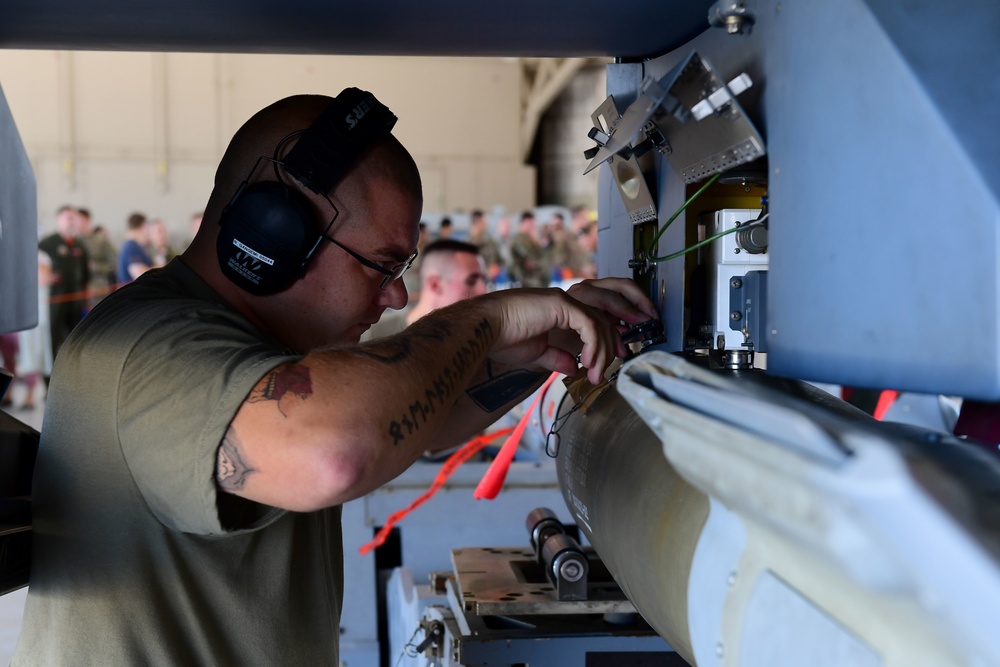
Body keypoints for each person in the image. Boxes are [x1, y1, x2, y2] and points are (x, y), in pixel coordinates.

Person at [14, 90, 656, 666]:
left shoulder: (256, 347)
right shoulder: (148, 346)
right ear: (271, 233)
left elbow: (418, 421)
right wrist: (493, 316)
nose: (398, 296)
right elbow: (333, 452)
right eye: (380, 265)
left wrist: (547, 346)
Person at [362, 239, 489, 340]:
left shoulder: (475, 338)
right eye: (471, 281)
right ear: (435, 284)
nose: (484, 290)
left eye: (484, 281)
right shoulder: (372, 336)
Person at [38, 205, 89, 363]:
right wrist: (43, 275)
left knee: (75, 338)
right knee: (52, 338)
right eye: (68, 217)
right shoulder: (47, 243)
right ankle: (50, 376)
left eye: (74, 218)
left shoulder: (79, 245)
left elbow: (85, 274)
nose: (71, 221)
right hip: (54, 299)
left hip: (75, 300)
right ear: (58, 220)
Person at [77, 207, 118, 310]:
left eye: (78, 220)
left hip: (97, 291)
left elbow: (115, 263)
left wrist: (96, 267)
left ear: (86, 220)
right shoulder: (73, 242)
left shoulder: (100, 241)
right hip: (76, 293)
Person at [115, 211, 161, 284]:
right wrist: (161, 267)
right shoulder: (131, 248)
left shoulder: (136, 247)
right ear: (143, 227)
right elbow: (141, 276)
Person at [508, 210, 548, 288]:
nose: (532, 226)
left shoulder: (532, 240)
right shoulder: (517, 239)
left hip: (534, 279)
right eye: (530, 223)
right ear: (524, 223)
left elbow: (541, 257)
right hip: (522, 279)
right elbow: (527, 259)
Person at [467, 209, 504, 283]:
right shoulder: (466, 245)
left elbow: (501, 261)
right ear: (477, 222)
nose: (486, 224)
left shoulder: (490, 242)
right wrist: (485, 272)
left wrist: (495, 270)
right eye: (484, 221)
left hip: (492, 284)